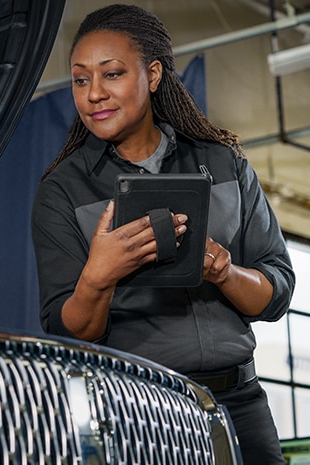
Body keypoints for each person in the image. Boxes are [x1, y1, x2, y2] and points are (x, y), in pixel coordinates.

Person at [31, 4, 295, 464]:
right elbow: (68, 330)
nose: (94, 93)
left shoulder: (224, 163)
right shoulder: (61, 192)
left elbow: (276, 294)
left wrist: (225, 272)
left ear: (152, 75)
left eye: (111, 74)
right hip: (138, 414)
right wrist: (98, 277)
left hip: (240, 409)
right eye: (80, 79)